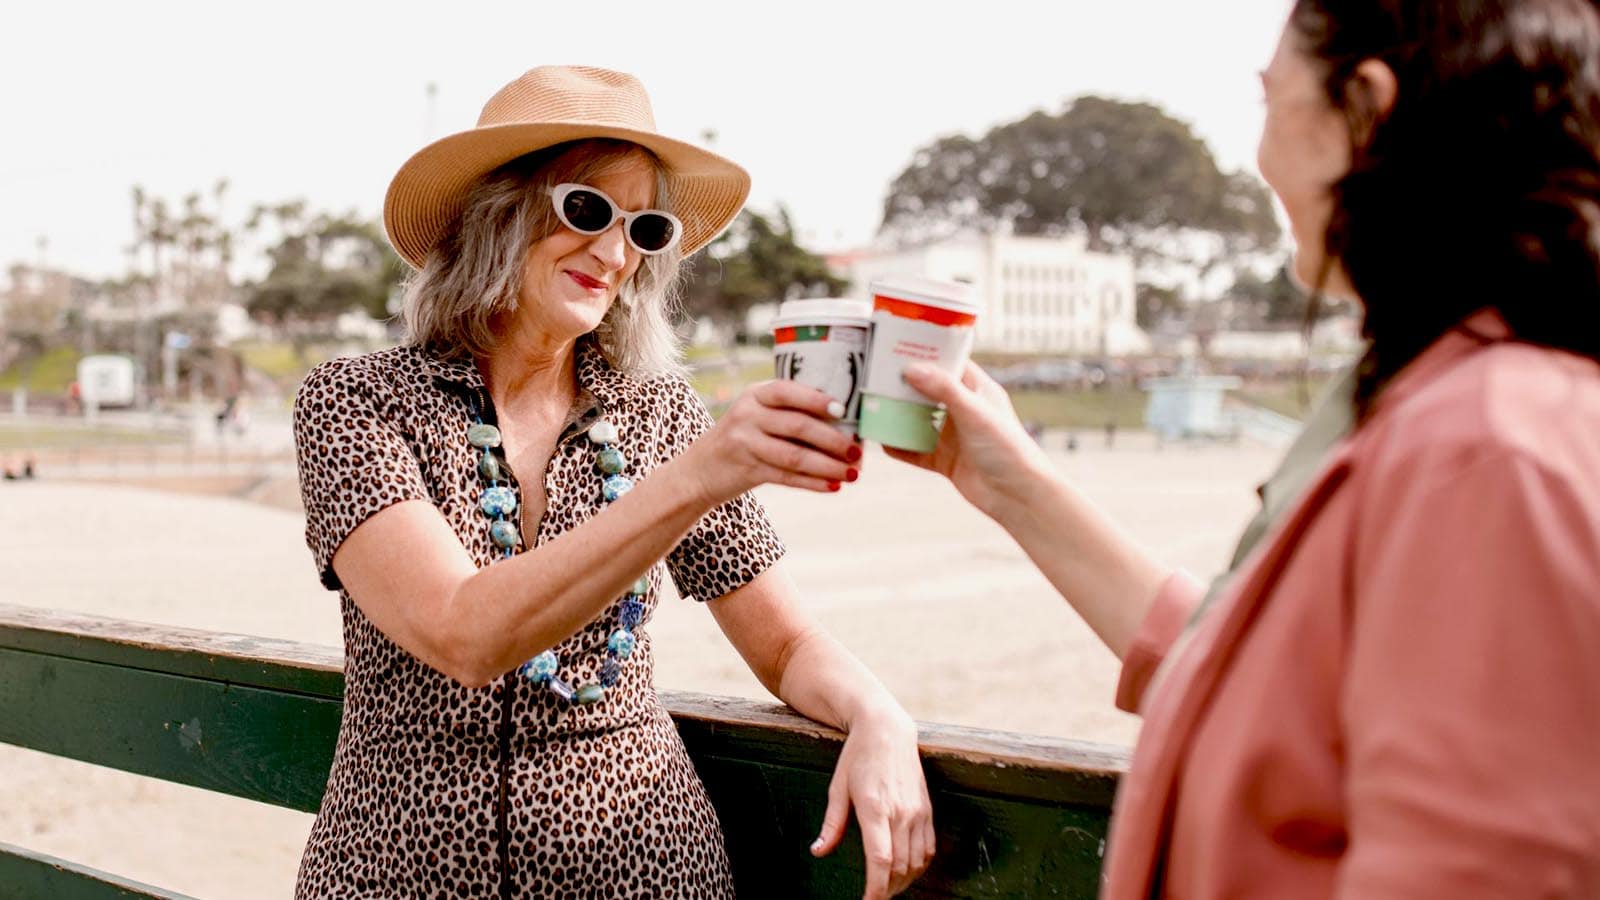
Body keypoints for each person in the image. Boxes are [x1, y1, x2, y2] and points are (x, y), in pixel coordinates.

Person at [888, 2, 1600, 896]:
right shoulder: (1448, 400)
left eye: (1267, 99)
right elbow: (1239, 670)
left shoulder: (1484, 454)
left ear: (1365, 110)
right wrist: (1008, 482)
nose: (1258, 156)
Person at [292, 66, 932, 899]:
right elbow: (463, 636)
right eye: (588, 210)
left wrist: (880, 715)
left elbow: (785, 645)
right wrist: (697, 478)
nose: (616, 252)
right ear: (495, 215)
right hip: (396, 876)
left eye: (646, 227)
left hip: (649, 872)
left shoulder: (661, 412)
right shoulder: (355, 399)